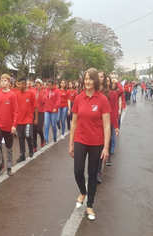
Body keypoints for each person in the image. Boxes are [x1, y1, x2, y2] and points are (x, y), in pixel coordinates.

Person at [68, 68, 111, 221]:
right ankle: (82, 191)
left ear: (95, 81)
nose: (87, 81)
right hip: (80, 139)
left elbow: (107, 125)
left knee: (92, 174)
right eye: (85, 78)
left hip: (97, 143)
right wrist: (71, 143)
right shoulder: (79, 98)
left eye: (90, 79)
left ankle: (90, 205)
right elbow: (74, 123)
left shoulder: (102, 100)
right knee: (78, 170)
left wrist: (106, 148)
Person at [0, 74, 19, 176]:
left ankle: (9, 166)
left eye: (5, 80)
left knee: (9, 147)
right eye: (1, 80)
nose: (2, 82)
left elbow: (16, 111)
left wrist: (14, 125)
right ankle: (0, 163)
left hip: (9, 126)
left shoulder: (12, 95)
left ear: (9, 83)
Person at [15, 77, 38, 162]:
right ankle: (22, 154)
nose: (18, 85)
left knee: (28, 135)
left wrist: (36, 118)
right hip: (19, 119)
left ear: (24, 85)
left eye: (19, 84)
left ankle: (31, 148)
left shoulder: (31, 94)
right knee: (21, 137)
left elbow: (36, 107)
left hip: (28, 118)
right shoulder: (17, 94)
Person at [44, 79, 60, 145]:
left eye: (51, 85)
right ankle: (46, 139)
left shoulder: (57, 91)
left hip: (54, 111)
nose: (49, 86)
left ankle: (54, 136)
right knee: (46, 124)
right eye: (48, 85)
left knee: (53, 125)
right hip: (47, 110)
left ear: (54, 85)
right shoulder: (46, 90)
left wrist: (55, 107)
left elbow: (58, 100)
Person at [33, 79, 46, 152]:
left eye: (39, 83)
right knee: (34, 130)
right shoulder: (32, 91)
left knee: (38, 128)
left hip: (41, 112)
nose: (37, 85)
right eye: (36, 83)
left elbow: (43, 101)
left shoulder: (44, 91)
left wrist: (40, 92)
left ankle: (42, 138)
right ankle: (34, 145)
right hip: (33, 112)